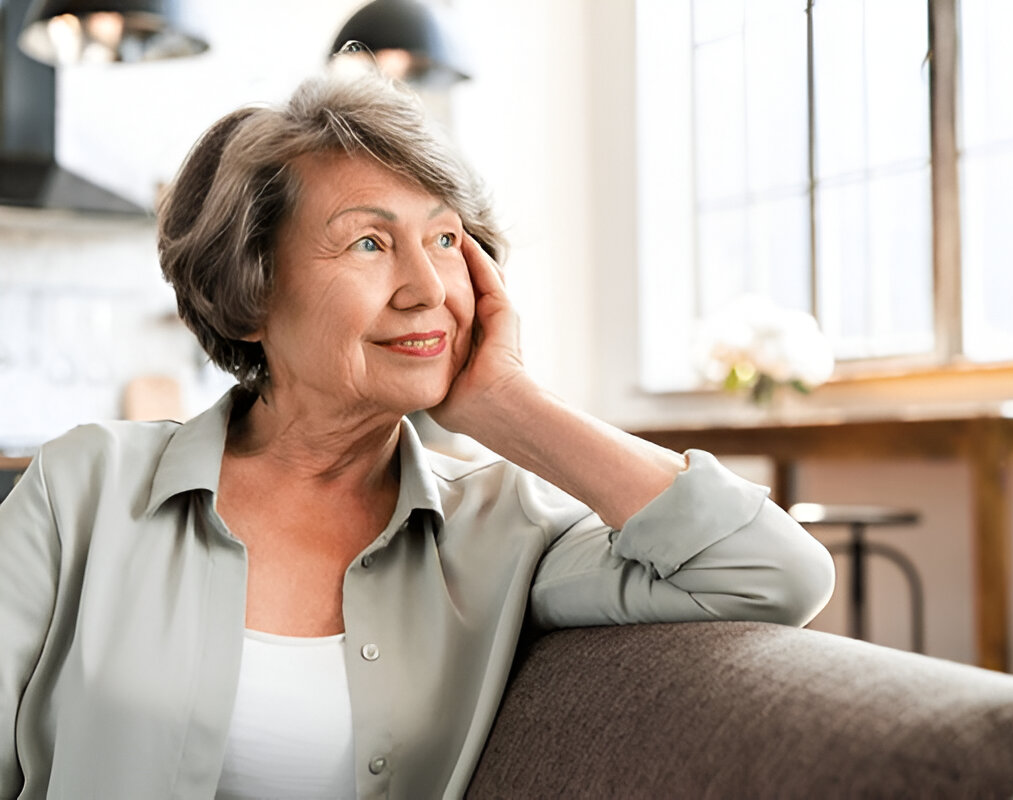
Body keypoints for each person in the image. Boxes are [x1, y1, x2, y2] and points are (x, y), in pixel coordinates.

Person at [0, 61, 835, 800]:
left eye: (444, 238)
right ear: (249, 293)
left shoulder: (507, 530)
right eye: (369, 242)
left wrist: (507, 403)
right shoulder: (82, 488)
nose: (426, 286)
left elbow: (775, 574)